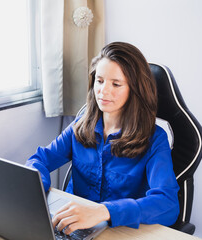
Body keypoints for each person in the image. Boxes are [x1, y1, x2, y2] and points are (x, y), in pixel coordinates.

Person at [26, 42, 179, 235]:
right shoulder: (81, 125)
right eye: (99, 81)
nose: (103, 91)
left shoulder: (155, 139)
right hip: (71, 227)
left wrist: (104, 211)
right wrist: (37, 190)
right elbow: (39, 160)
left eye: (116, 84)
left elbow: (168, 204)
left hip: (119, 231)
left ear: (135, 89)